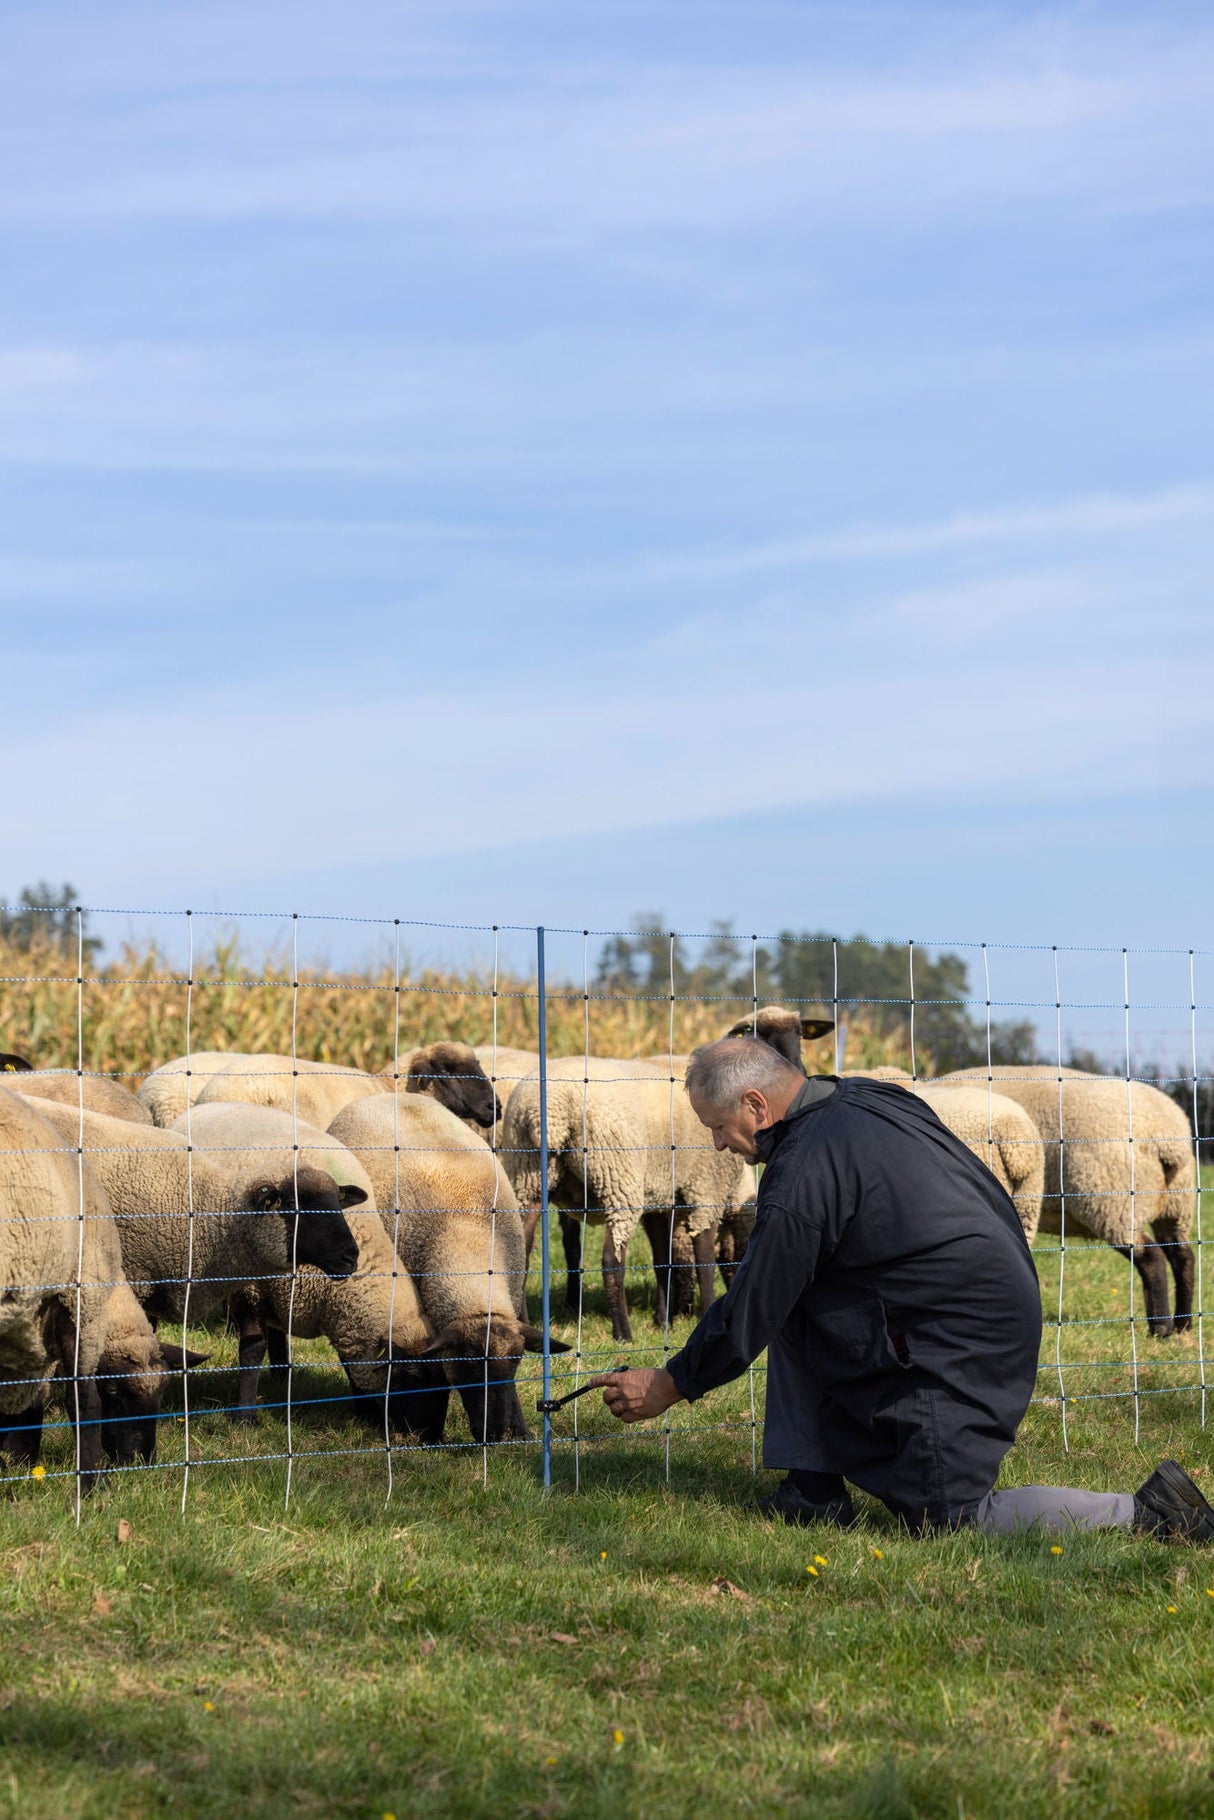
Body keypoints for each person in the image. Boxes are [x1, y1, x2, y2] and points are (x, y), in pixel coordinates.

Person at [589, 1036, 1214, 1540]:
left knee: (950, 1516)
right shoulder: (864, 1099)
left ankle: (1149, 1513)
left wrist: (668, 1384)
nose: (717, 1143)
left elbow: (751, 1304)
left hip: (963, 1333)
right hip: (971, 1296)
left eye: (718, 1126)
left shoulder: (802, 1171)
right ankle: (812, 1489)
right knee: (798, 1285)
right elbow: (776, 1287)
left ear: (756, 1105)